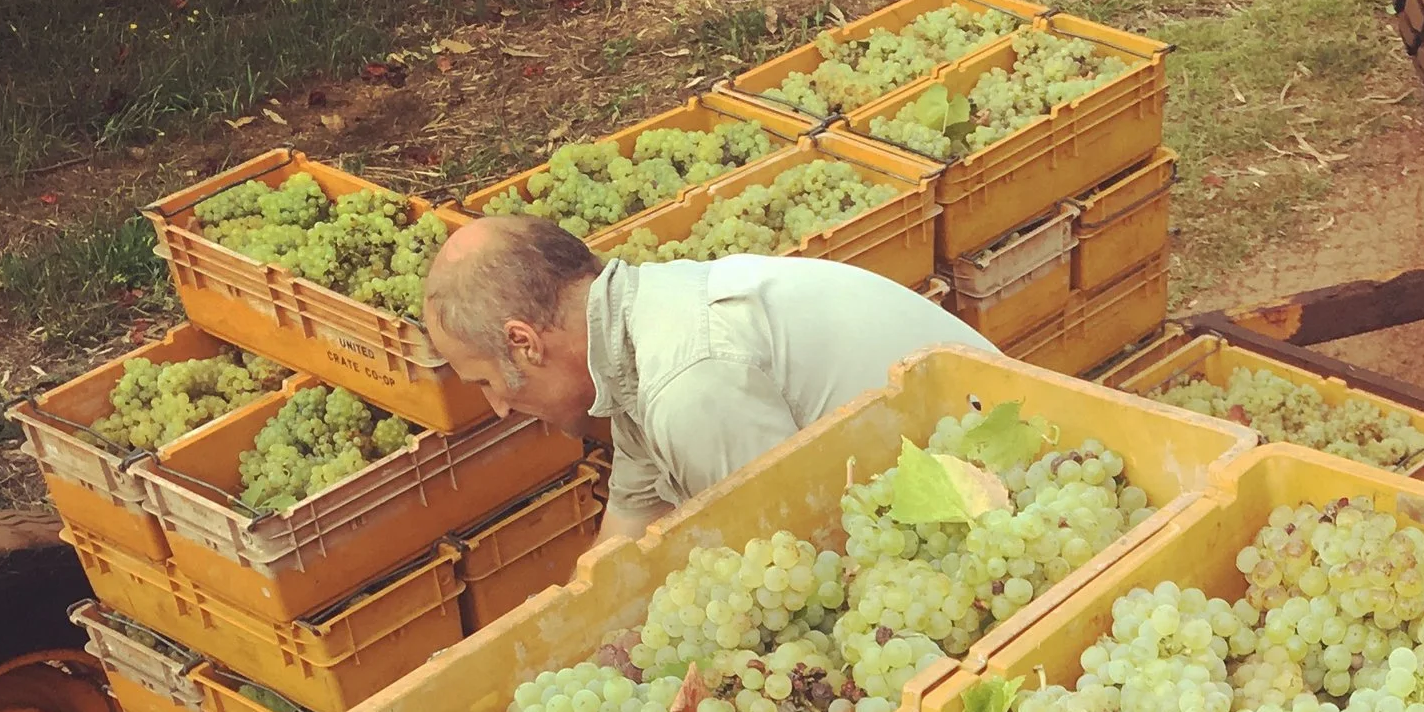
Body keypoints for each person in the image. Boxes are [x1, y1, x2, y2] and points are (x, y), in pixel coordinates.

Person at [422, 214, 999, 544]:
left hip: (996, 493)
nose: (497, 408)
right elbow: (628, 532)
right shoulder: (642, 323)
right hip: (953, 457)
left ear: (524, 341)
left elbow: (793, 553)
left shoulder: (689, 386)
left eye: (486, 382)